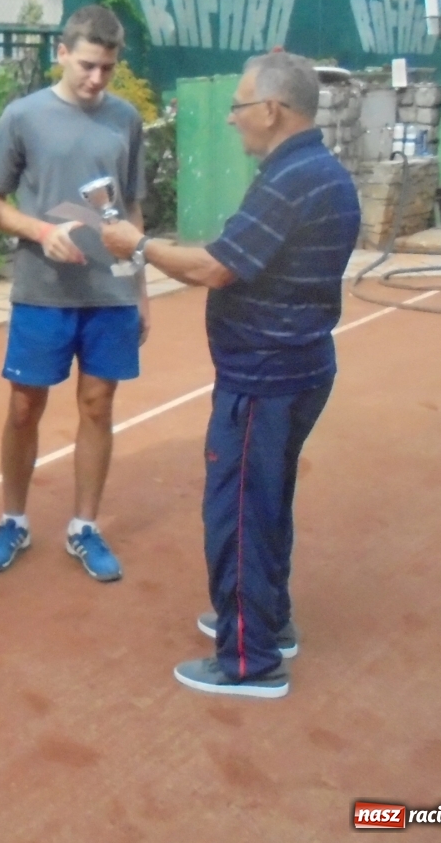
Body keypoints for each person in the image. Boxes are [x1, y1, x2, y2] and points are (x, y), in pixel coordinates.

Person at [101, 51, 359, 698]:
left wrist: (137, 246)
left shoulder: (293, 179)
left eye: (239, 106)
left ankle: (249, 658)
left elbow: (216, 266)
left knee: (239, 513)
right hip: (294, 368)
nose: (233, 120)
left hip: (266, 377)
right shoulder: (314, 170)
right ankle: (266, 621)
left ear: (272, 110)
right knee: (265, 506)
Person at [0, 5, 149, 582]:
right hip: (42, 291)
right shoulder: (23, 117)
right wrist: (42, 231)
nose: (97, 79)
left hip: (110, 292)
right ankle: (13, 520)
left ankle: (84, 527)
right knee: (25, 407)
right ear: (63, 54)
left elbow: (134, 207)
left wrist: (140, 288)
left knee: (98, 406)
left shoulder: (126, 119)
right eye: (89, 66)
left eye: (109, 69)